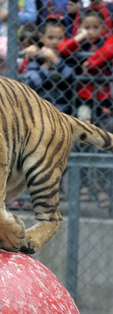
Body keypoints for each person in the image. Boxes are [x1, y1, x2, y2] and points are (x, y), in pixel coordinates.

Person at [58, 9, 113, 207]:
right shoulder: (79, 43)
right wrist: (79, 37)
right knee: (82, 140)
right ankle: (81, 185)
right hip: (83, 101)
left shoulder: (105, 41)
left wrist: (91, 61)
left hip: (104, 102)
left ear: (104, 28)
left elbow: (110, 49)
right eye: (86, 27)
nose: (91, 31)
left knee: (103, 143)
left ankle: (100, 187)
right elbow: (62, 49)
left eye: (95, 27)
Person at [22, 18, 75, 113]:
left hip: (63, 111)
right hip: (39, 110)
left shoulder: (67, 56)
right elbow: (29, 83)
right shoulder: (36, 57)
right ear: (41, 38)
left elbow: (71, 77)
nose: (55, 42)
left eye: (60, 38)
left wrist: (55, 60)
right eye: (50, 38)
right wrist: (46, 65)